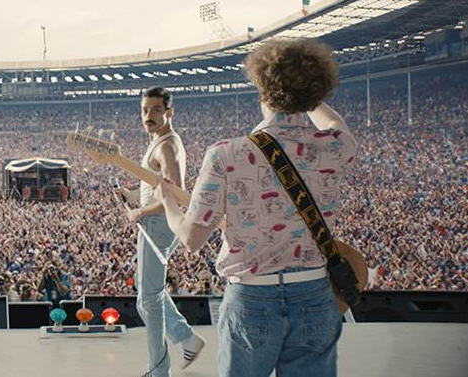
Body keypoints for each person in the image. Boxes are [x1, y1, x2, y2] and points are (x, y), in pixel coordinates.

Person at [156, 38, 355, 376]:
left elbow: (191, 239)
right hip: (315, 294)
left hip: (252, 298)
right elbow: (335, 124)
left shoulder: (226, 153)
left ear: (263, 90)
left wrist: (168, 204)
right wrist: (307, 96)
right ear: (315, 93)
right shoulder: (335, 146)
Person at [112, 87, 206, 375]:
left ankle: (159, 369)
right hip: (160, 223)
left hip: (158, 225)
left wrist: (140, 211)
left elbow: (175, 194)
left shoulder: (166, 145)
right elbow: (159, 186)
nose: (148, 116)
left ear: (169, 112)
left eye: (155, 109)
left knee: (148, 300)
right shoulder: (160, 141)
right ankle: (187, 338)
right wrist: (133, 194)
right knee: (149, 292)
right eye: (144, 110)